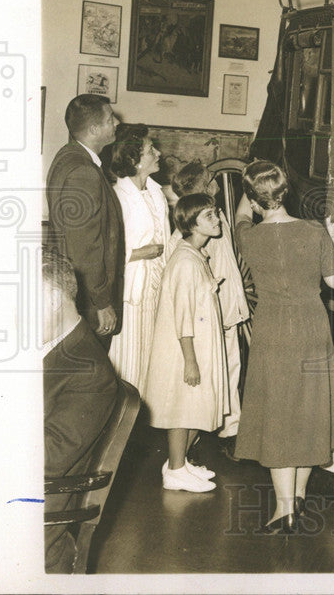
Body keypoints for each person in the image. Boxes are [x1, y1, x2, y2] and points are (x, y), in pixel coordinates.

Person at [232, 160, 334, 534]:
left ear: (253, 199)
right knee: (307, 411)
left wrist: (246, 196)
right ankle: (298, 497)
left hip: (272, 330)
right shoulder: (315, 232)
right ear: (287, 192)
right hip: (312, 326)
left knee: (279, 415)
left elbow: (239, 219)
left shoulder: (248, 236)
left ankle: (285, 508)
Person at [143, 193, 229, 492]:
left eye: (215, 212)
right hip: (186, 350)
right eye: (209, 216)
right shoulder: (184, 262)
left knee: (196, 407)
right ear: (191, 224)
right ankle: (175, 469)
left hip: (199, 347)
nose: (217, 219)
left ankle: (178, 463)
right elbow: (183, 316)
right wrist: (190, 360)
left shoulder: (195, 255)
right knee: (182, 408)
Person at [42, 246, 118, 573]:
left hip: (33, 519)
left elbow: (47, 458)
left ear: (54, 299)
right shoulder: (49, 344)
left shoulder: (90, 372)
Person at [167, 162, 250, 458]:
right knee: (218, 374)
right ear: (200, 187)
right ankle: (220, 431)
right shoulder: (191, 232)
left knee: (231, 368)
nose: (216, 184)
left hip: (229, 305)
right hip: (213, 313)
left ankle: (228, 426)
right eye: (210, 180)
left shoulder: (216, 218)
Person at [46, 94, 124, 345]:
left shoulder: (67, 156)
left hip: (74, 292)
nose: (117, 124)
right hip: (88, 302)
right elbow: (85, 247)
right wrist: (102, 303)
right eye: (110, 119)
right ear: (94, 129)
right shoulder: (84, 172)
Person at [104, 124, 169, 392]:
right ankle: (121, 429)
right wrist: (139, 253)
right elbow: (104, 249)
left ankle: (138, 428)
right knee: (128, 362)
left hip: (154, 290)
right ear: (134, 160)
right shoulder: (118, 196)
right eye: (151, 149)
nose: (158, 154)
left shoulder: (155, 192)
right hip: (131, 294)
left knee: (149, 364)